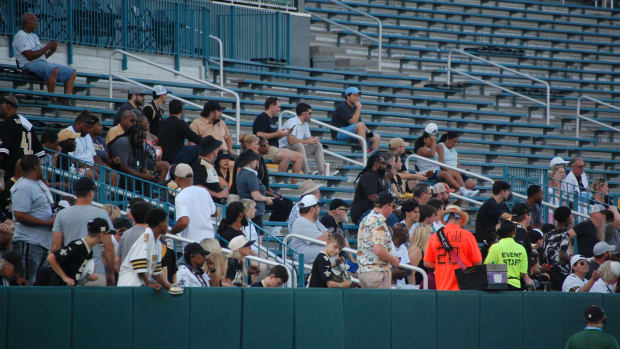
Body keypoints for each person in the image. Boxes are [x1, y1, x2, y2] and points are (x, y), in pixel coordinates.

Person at [51, 177, 114, 286]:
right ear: (90, 193)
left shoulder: (62, 214)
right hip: (95, 271)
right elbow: (109, 246)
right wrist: (111, 272)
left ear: (75, 193)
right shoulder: (101, 214)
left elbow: (55, 247)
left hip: (70, 272)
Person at [10, 155, 54, 284]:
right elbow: (20, 215)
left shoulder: (39, 183)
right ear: (35, 166)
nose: (42, 168)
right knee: (28, 281)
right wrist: (47, 223)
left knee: (39, 282)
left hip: (42, 242)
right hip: (29, 241)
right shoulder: (23, 186)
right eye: (40, 165)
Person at [12, 13, 76, 96]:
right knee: (53, 70)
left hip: (41, 63)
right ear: (26, 23)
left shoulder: (34, 36)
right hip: (27, 65)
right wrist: (46, 48)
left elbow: (41, 57)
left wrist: (51, 52)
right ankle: (52, 99)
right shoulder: (20, 35)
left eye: (36, 21)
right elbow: (30, 56)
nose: (36, 23)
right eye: (34, 21)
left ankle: (66, 100)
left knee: (71, 72)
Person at [424, 205, 482, 291]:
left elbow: (427, 263)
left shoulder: (435, 236)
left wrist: (443, 265)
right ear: (460, 220)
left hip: (442, 287)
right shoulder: (468, 236)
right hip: (464, 287)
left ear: (445, 220)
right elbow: (478, 262)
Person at [117, 208, 174, 292]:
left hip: (138, 287)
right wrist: (148, 283)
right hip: (129, 286)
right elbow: (138, 262)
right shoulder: (146, 236)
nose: (167, 225)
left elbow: (156, 271)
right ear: (160, 223)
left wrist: (169, 286)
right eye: (166, 222)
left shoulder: (157, 242)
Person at [414, 123, 477, 197]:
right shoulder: (421, 149)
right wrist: (434, 141)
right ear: (425, 140)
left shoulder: (433, 149)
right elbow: (431, 154)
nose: (432, 141)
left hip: (435, 171)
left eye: (433, 139)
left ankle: (464, 190)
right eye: (430, 139)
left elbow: (436, 156)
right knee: (444, 174)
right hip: (427, 172)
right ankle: (461, 190)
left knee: (455, 173)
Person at [45, 218, 110, 286]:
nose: (109, 237)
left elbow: (76, 270)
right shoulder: (77, 245)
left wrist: (88, 277)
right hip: (57, 286)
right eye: (107, 234)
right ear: (101, 234)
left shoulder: (89, 251)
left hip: (68, 288)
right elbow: (51, 258)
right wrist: (65, 277)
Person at [357, 191, 400, 289]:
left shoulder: (366, 219)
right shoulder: (378, 221)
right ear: (386, 206)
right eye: (392, 206)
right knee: (381, 304)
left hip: (365, 271)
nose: (393, 210)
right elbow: (378, 249)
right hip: (377, 272)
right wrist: (393, 260)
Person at [252, 97, 303, 176]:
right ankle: (279, 183)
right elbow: (259, 135)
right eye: (278, 107)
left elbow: (273, 136)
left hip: (275, 149)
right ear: (272, 106)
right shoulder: (262, 118)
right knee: (287, 156)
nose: (279, 109)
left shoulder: (272, 119)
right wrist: (277, 133)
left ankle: (295, 186)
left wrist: (282, 134)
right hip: (265, 149)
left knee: (299, 156)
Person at [0, 96, 45, 180]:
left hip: (11, 175)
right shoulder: (27, 124)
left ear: (8, 106)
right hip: (28, 175)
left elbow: (2, 152)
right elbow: (39, 154)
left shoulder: (8, 124)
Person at [169, 164, 216, 242]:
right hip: (210, 240)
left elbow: (184, 222)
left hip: (193, 243)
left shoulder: (181, 196)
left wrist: (171, 233)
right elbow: (214, 212)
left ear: (178, 178)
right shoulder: (203, 191)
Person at [484, 219, 532, 290]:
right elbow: (523, 273)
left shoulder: (495, 247)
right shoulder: (521, 249)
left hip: (498, 286)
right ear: (514, 232)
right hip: (516, 286)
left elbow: (487, 267)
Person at [280, 102, 326, 175]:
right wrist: (308, 140)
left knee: (317, 145)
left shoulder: (305, 124)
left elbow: (309, 138)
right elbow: (291, 141)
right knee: (299, 145)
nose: (311, 116)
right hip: (284, 149)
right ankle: (307, 172)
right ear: (304, 114)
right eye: (310, 113)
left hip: (296, 149)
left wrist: (314, 140)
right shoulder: (292, 122)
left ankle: (323, 172)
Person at [331, 87, 380, 152]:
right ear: (347, 96)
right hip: (339, 132)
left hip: (351, 132)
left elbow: (361, 125)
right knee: (360, 125)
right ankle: (365, 151)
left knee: (376, 137)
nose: (357, 97)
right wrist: (358, 108)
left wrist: (369, 133)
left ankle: (370, 157)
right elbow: (353, 122)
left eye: (358, 95)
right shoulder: (342, 106)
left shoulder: (354, 107)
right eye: (354, 95)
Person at [235, 150, 272, 228]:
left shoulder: (241, 173)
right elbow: (255, 195)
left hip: (247, 209)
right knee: (258, 238)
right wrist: (267, 199)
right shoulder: (250, 174)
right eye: (255, 160)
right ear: (251, 161)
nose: (256, 162)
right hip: (255, 210)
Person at [158, 100, 202, 164]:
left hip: (163, 157)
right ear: (181, 110)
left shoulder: (163, 123)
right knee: (200, 148)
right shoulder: (180, 123)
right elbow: (195, 138)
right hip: (174, 157)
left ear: (169, 110)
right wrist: (207, 141)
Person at [475, 180, 513, 256]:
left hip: (492, 234)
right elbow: (506, 216)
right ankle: (492, 265)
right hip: (484, 235)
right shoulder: (491, 204)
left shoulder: (501, 205)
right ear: (502, 192)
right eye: (508, 191)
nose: (509, 193)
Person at [289, 195, 329, 264]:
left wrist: (327, 235)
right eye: (318, 207)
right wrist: (326, 234)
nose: (319, 209)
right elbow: (324, 239)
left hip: (316, 262)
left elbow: (330, 237)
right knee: (332, 250)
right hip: (305, 264)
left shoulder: (315, 222)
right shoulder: (301, 221)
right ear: (312, 209)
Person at [351, 152, 387, 225]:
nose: (385, 166)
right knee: (392, 218)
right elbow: (372, 196)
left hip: (371, 211)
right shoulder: (369, 176)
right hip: (363, 213)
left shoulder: (376, 176)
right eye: (383, 163)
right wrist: (388, 202)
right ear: (376, 164)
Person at [115, 201, 152, 271]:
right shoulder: (150, 234)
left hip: (125, 277)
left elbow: (117, 260)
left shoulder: (125, 234)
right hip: (142, 279)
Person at [544, 206, 573, 291]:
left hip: (550, 270)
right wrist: (573, 261)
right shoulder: (566, 234)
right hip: (562, 272)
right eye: (570, 216)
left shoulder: (548, 234)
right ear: (567, 218)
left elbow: (544, 253)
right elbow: (562, 254)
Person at [192, 136, 228, 203]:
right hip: (207, 204)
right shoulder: (201, 164)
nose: (219, 149)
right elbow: (199, 186)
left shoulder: (208, 164)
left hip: (212, 204)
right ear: (212, 149)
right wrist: (217, 194)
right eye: (217, 148)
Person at [408, 222, 433, 289]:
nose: (433, 235)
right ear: (424, 235)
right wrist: (414, 291)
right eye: (430, 233)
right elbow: (411, 274)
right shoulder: (417, 251)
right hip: (417, 288)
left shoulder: (423, 251)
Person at [511, 203, 535, 270]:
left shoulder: (505, 227)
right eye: (530, 215)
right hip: (517, 276)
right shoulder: (520, 231)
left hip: (502, 276)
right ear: (526, 216)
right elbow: (518, 255)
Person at [390, 223, 414, 288]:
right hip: (389, 285)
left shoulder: (403, 247)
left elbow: (409, 270)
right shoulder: (388, 246)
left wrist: (399, 270)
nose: (408, 235)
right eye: (406, 233)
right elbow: (389, 271)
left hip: (401, 285)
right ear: (398, 234)